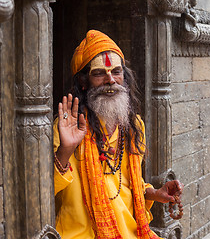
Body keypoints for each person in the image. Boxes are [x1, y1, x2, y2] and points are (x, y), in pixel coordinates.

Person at [53, 30, 183, 239]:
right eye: (99, 73)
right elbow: (46, 191)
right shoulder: (67, 127)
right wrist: (66, 150)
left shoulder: (133, 126)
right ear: (83, 82)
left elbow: (129, 184)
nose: (110, 80)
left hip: (130, 232)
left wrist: (155, 194)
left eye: (116, 72)